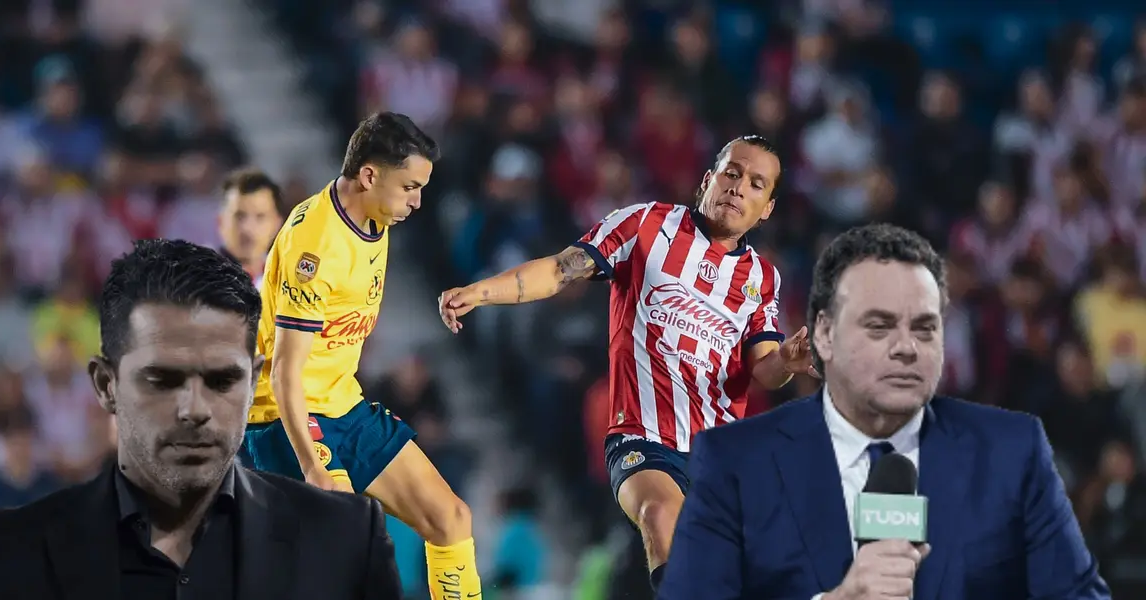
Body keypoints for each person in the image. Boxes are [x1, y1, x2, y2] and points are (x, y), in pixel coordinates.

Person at [439, 135, 816, 591]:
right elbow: (560, 270)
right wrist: (481, 292)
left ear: (768, 207)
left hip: (719, 456)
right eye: (732, 173)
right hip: (643, 440)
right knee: (659, 514)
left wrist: (788, 361)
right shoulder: (645, 226)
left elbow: (764, 371)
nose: (738, 188)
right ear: (707, 180)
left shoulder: (762, 277)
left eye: (757, 184)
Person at [659, 224, 1111, 600]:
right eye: (879, 326)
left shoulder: (1014, 453)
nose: (906, 348)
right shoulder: (734, 462)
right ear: (824, 335)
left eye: (924, 327)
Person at [0, 239, 402, 600]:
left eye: (223, 380)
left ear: (255, 384)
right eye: (162, 379)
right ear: (107, 385)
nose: (195, 409)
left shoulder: (345, 541)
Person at [238, 112, 484, 600]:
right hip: (287, 419)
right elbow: (286, 370)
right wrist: (312, 468)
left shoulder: (375, 215)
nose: (417, 201)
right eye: (409, 186)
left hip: (344, 406)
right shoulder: (316, 244)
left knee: (451, 519)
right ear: (369, 175)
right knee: (349, 549)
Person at [218, 167, 285, 287]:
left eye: (260, 217)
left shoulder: (289, 284)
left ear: (277, 224)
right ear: (220, 222)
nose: (248, 228)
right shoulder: (194, 281)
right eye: (239, 216)